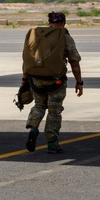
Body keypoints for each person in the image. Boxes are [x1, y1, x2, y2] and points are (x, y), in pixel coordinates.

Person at [21, 12, 82, 154]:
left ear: (49, 22)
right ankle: (52, 142)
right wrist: (79, 82)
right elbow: (74, 63)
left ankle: (33, 127)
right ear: (63, 23)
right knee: (54, 111)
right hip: (56, 81)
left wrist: (24, 80)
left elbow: (26, 60)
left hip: (36, 79)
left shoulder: (36, 35)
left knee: (39, 105)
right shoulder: (64, 37)